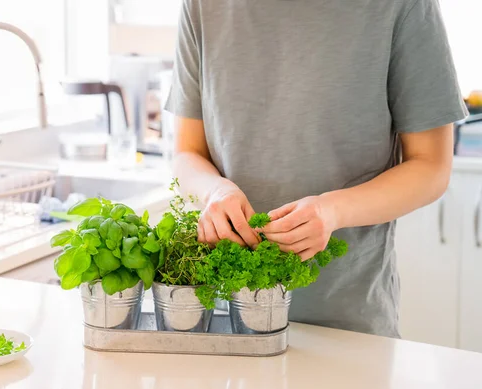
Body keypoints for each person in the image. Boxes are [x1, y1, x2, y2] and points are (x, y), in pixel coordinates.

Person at [164, 0, 468, 337]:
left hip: (347, 323)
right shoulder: (203, 5)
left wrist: (332, 211)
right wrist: (214, 191)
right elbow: (187, 153)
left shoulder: (402, 5)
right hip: (225, 317)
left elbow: (431, 165)